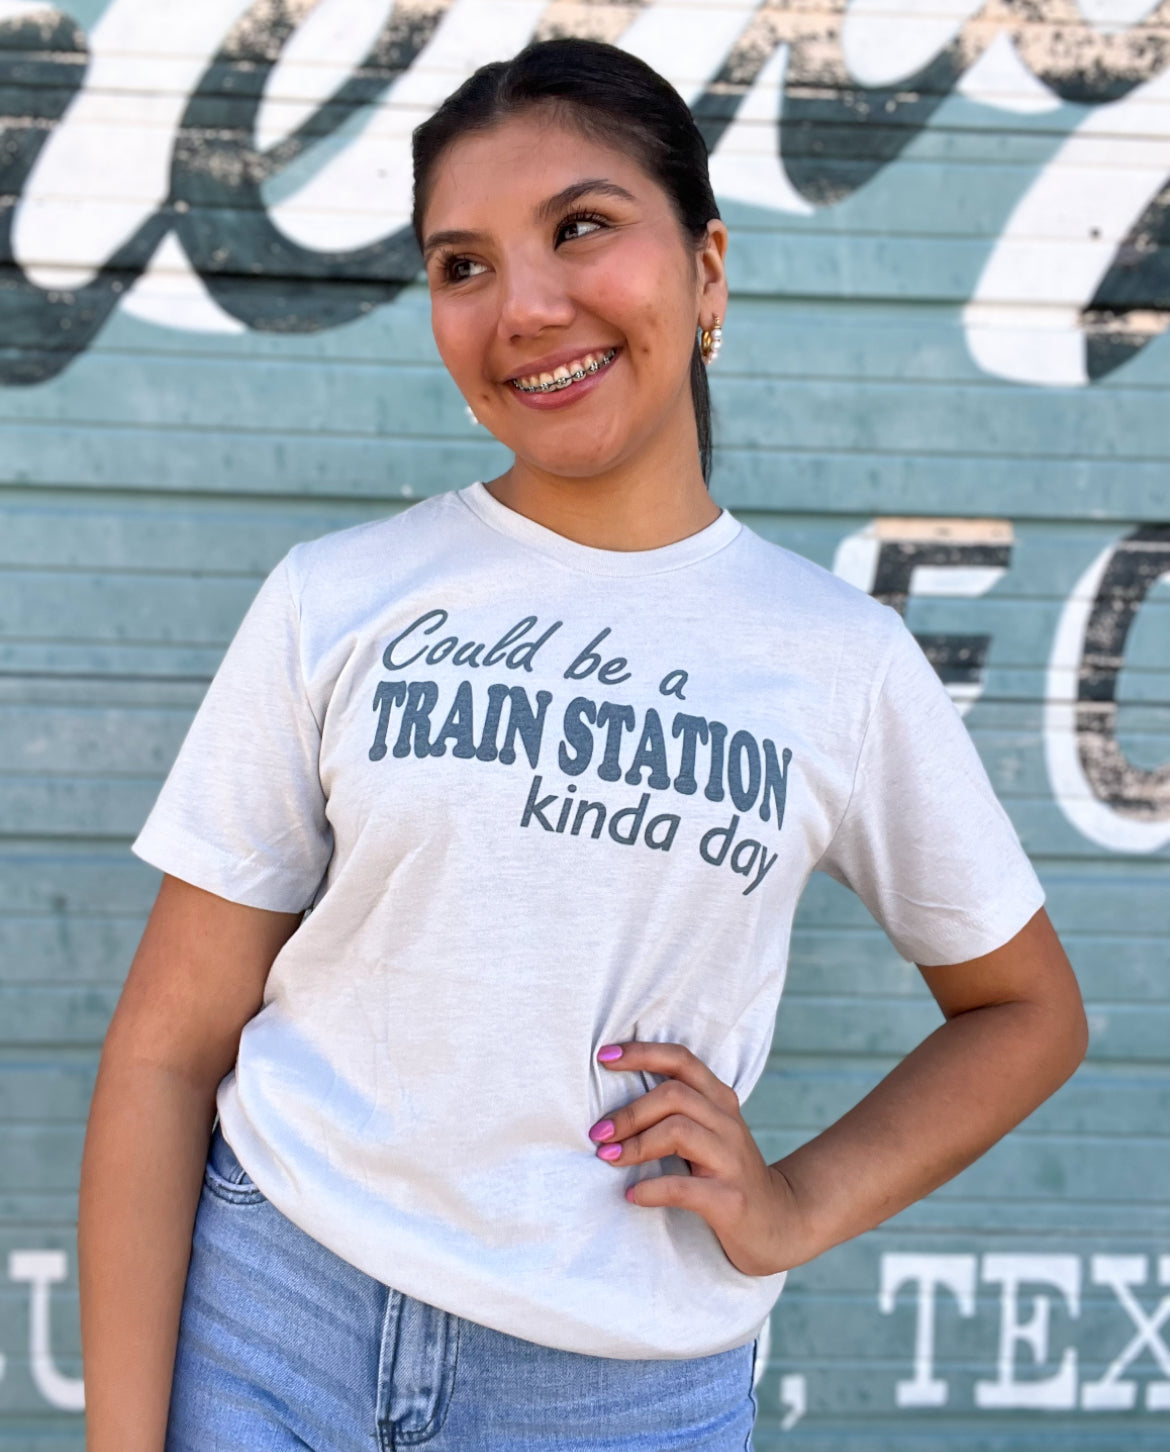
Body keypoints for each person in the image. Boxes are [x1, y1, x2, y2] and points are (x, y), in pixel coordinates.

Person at [78, 36, 1089, 1452]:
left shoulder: (836, 661)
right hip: (277, 1322)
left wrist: (792, 1205)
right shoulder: (338, 599)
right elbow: (165, 1053)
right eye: (462, 264)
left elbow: (1027, 1013)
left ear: (708, 270)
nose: (525, 308)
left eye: (581, 229)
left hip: (617, 1390)